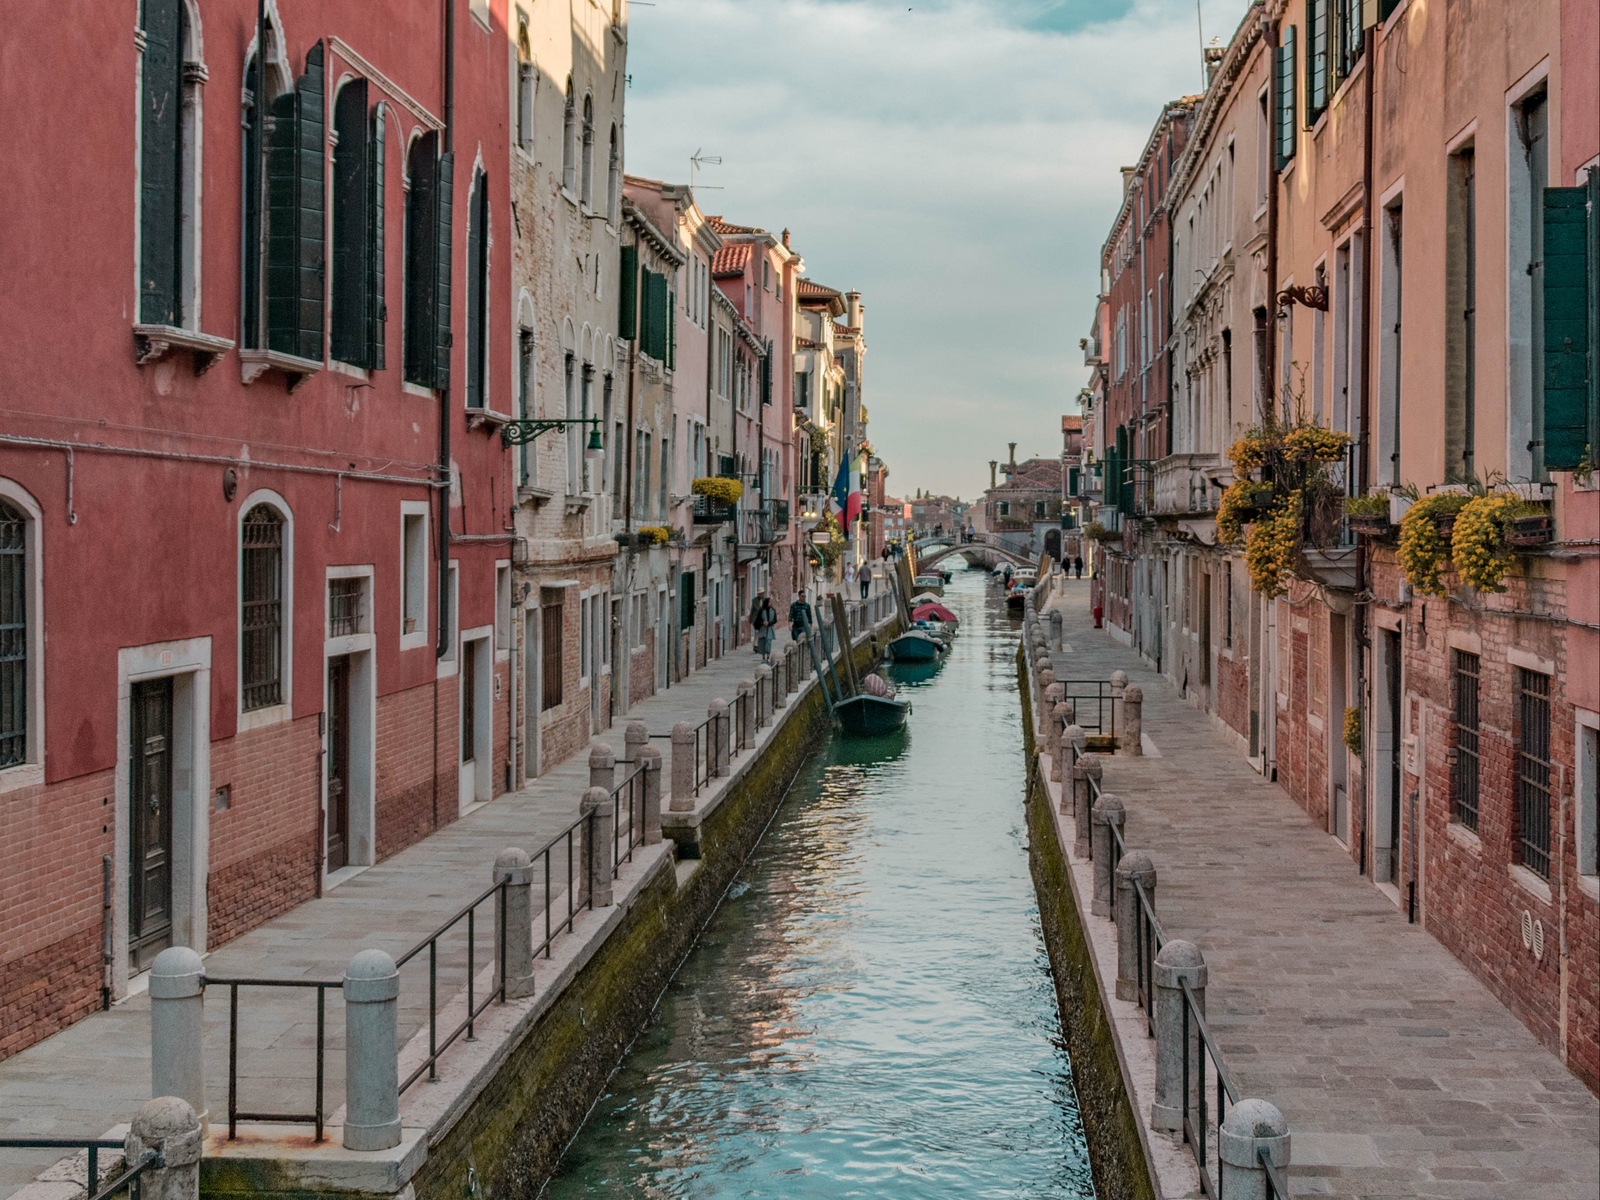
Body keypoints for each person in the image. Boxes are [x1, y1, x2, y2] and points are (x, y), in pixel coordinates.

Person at [752, 594, 778, 664]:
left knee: (768, 643)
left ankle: (768, 658)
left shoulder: (773, 610)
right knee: (762, 643)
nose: (771, 603)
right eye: (770, 602)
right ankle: (763, 658)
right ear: (767, 602)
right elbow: (757, 620)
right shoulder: (762, 610)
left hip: (769, 629)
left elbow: (775, 620)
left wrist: (769, 623)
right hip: (763, 629)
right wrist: (763, 623)